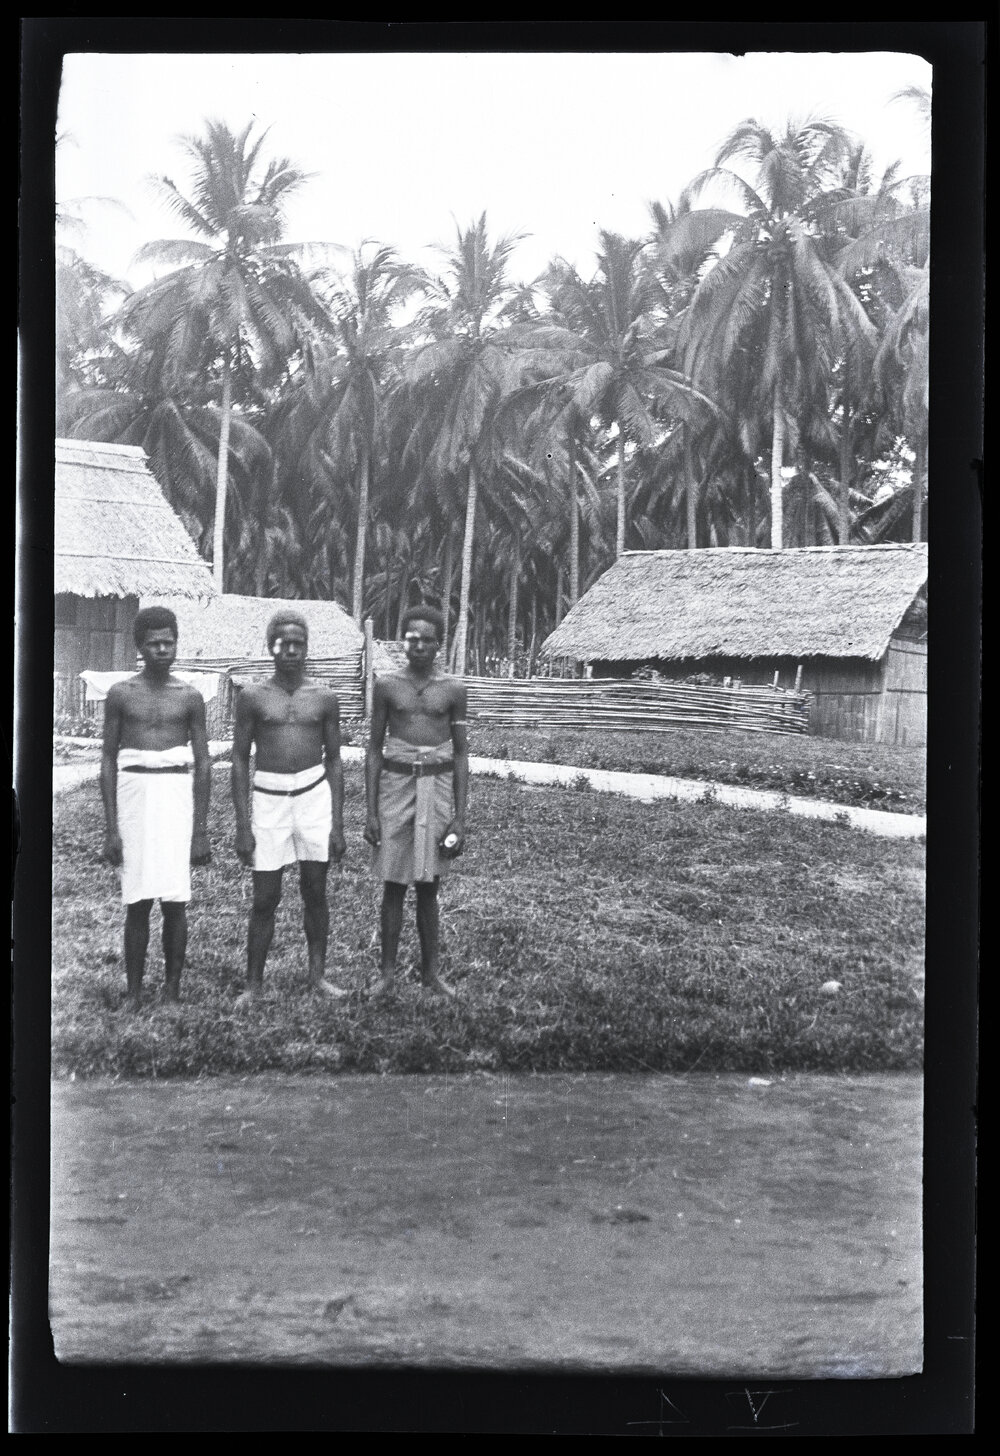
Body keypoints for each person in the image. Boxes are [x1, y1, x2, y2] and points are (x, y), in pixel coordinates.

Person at [231, 610, 347, 1004]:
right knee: (265, 897)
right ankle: (253, 984)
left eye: (299, 643)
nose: (292, 650)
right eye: (284, 643)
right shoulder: (252, 697)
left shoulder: (324, 697)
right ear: (271, 647)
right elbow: (239, 759)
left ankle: (317, 976)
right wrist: (242, 825)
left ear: (307, 647)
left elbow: (334, 760)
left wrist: (337, 824)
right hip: (269, 798)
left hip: (313, 796)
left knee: (315, 890)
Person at [100, 605, 211, 1009]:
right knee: (138, 900)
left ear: (177, 644)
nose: (162, 650)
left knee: (175, 900)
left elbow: (203, 763)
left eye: (169, 642)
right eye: (154, 644)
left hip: (176, 796)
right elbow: (108, 760)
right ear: (140, 647)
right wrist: (111, 828)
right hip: (134, 795)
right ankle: (133, 992)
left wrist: (200, 830)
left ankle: (172, 991)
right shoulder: (121, 694)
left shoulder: (190, 697)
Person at [364, 605, 468, 998]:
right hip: (396, 787)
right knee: (393, 884)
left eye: (427, 640)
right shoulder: (387, 686)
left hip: (436, 790)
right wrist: (371, 812)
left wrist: (460, 817)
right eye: (412, 638)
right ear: (403, 641)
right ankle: (387, 975)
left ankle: (431, 975)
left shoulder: (453, 689)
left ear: (439, 644)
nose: (419, 646)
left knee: (428, 887)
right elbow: (374, 749)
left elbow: (461, 754)